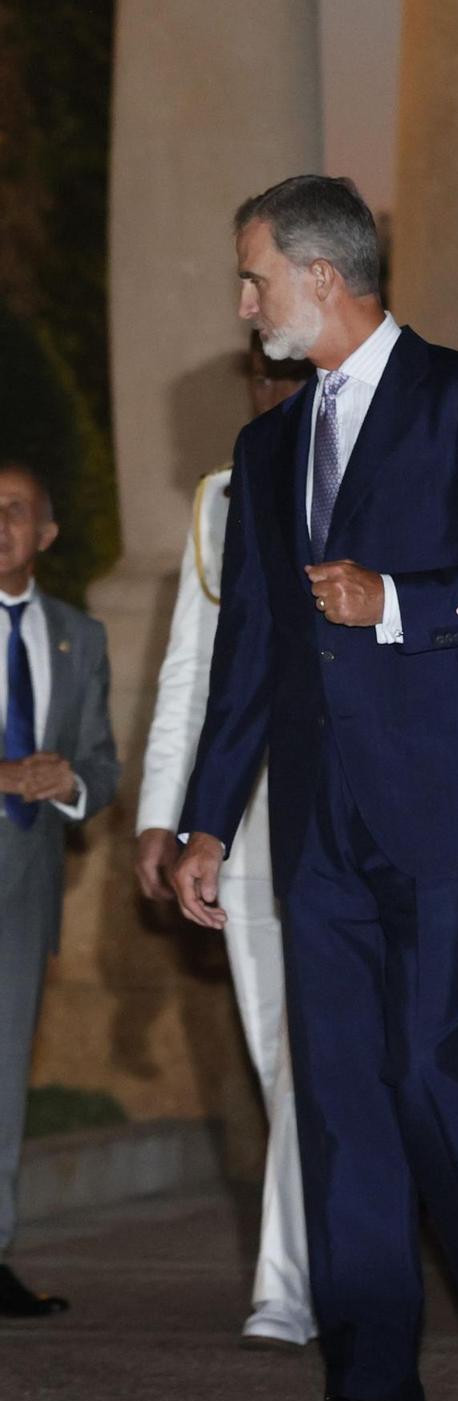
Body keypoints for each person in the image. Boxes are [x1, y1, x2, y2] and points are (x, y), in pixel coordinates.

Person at [171, 175, 458, 1401]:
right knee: (339, 1091)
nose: (243, 304)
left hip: (444, 807)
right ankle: (372, 1386)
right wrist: (206, 820)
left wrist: (397, 602)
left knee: (430, 1069)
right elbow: (250, 654)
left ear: (322, 276)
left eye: (254, 279)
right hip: (316, 827)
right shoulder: (265, 446)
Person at [135, 334, 315, 1351]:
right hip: (239, 823)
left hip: (341, 812)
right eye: (266, 375)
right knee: (275, 1048)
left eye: (295, 374)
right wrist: (162, 814)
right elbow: (190, 676)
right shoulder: (221, 498)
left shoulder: (360, 478)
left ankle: (290, 1278)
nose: (278, 389)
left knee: (311, 1051)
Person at [0, 463, 120, 1317]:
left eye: (13, 510)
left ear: (44, 533)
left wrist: (64, 781)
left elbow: (105, 766)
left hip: (26, 889)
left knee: (5, 1079)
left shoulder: (81, 636)